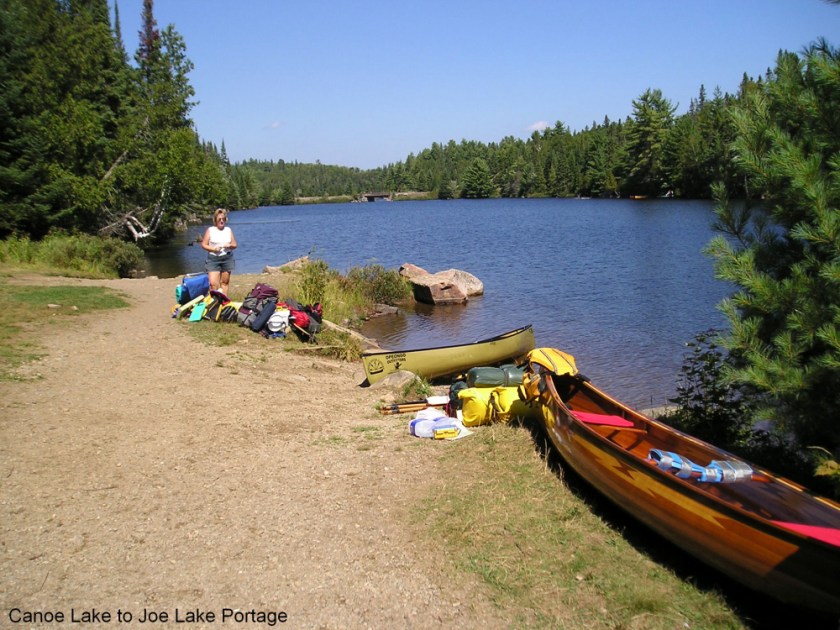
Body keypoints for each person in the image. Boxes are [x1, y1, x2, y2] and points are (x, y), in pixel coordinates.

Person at [201, 208, 237, 295]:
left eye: (223, 219)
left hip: (227, 258)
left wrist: (229, 245)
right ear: (215, 220)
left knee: (224, 282)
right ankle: (214, 303)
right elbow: (203, 244)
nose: (221, 221)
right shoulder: (210, 230)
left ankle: (223, 303)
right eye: (219, 219)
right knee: (213, 284)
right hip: (213, 259)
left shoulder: (228, 230)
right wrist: (213, 249)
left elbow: (234, 244)